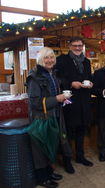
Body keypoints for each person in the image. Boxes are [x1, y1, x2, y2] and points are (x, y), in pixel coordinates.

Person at [26, 47, 64, 188]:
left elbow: (53, 94)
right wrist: (57, 99)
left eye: (51, 57)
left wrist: (62, 99)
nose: (49, 60)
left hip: (52, 115)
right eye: (46, 58)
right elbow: (35, 102)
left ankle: (49, 172)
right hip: (40, 118)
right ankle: (42, 178)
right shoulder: (34, 77)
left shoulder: (53, 73)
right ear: (40, 60)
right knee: (40, 149)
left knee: (50, 145)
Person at [55, 37, 93, 173]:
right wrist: (70, 84)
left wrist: (91, 83)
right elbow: (56, 78)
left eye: (80, 45)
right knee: (68, 133)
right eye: (75, 45)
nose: (78, 48)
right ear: (69, 45)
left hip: (84, 102)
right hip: (69, 102)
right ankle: (67, 160)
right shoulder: (61, 60)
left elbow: (89, 77)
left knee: (81, 131)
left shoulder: (87, 62)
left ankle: (80, 157)